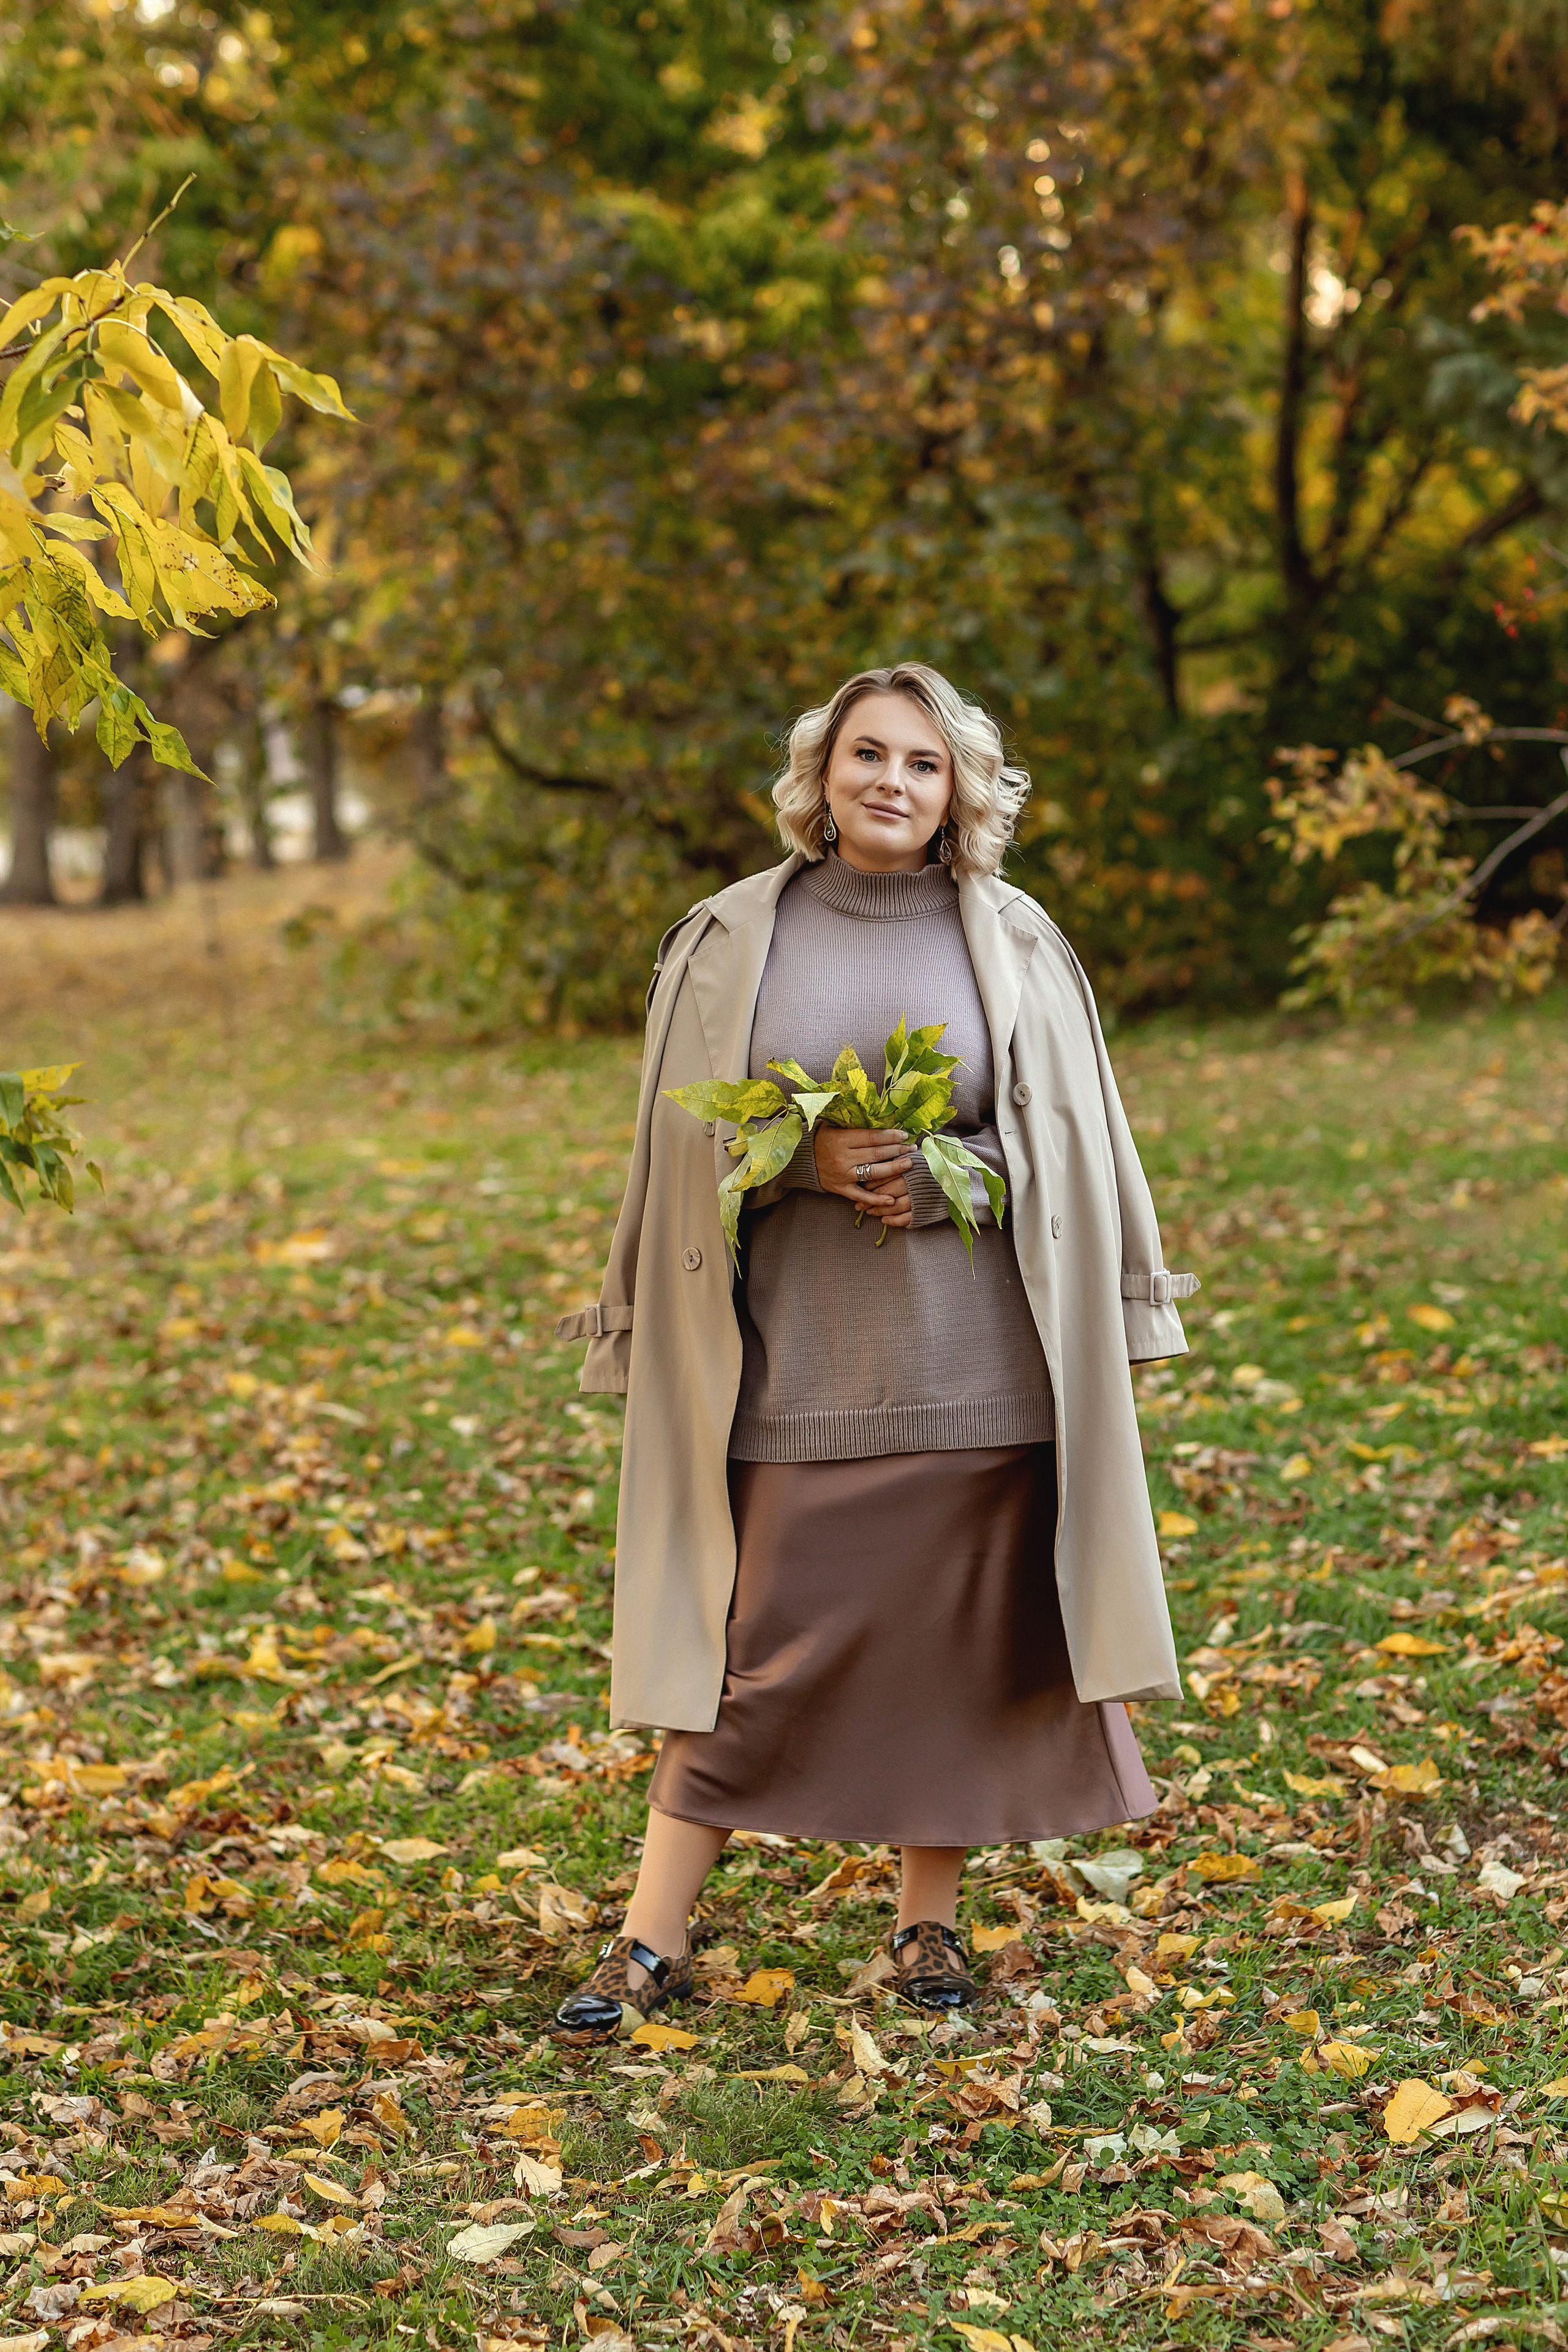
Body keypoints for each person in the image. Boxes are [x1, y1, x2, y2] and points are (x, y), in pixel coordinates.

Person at [552, 662, 1197, 2028]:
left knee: (953, 1658)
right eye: (866, 756)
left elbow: (1073, 1150)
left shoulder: (1012, 938)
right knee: (747, 1658)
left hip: (980, 1370)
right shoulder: (731, 936)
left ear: (956, 786)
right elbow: (675, 1146)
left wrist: (966, 1169)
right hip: (792, 1371)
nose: (890, 782)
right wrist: (798, 1163)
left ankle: (925, 1931)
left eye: (920, 761)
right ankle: (648, 1942)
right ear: (820, 776)